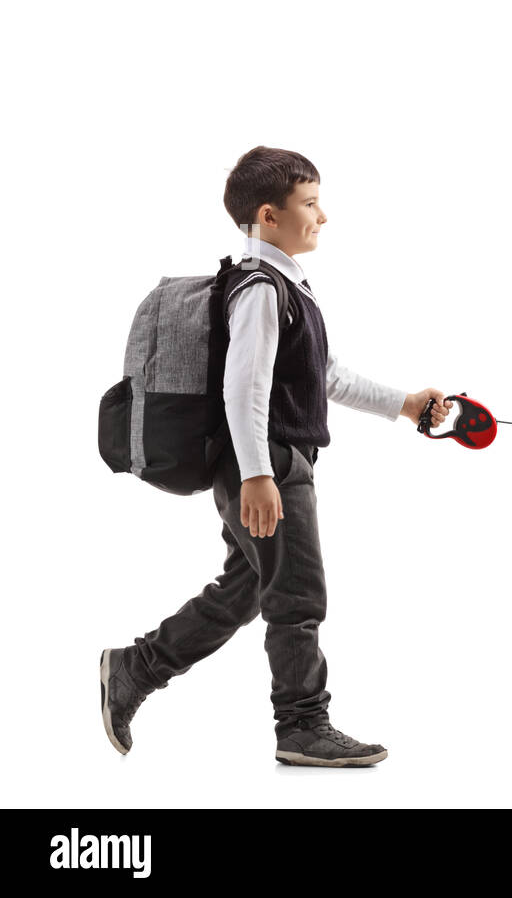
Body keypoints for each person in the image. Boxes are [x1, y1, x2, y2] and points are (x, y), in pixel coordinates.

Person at [99, 146, 451, 766]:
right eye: (310, 203)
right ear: (268, 215)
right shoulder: (260, 289)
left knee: (247, 590)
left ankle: (134, 668)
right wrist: (260, 473)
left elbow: (326, 376)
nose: (323, 216)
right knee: (297, 594)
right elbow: (245, 387)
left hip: (269, 461)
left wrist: (406, 403)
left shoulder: (285, 286)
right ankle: (302, 725)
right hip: (266, 465)